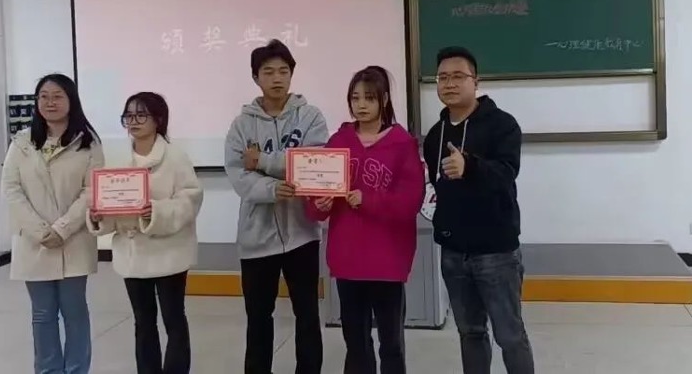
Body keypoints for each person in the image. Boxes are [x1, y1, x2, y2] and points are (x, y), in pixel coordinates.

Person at [422, 47, 535, 374]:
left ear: (476, 81)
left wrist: (469, 166)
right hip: (453, 251)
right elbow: (436, 186)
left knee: (510, 335)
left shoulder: (502, 125)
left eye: (458, 76)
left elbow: (506, 173)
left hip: (496, 251)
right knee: (470, 332)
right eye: (443, 77)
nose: (449, 84)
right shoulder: (436, 135)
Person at [307, 66, 425, 374]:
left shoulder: (403, 144)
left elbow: (411, 202)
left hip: (388, 261)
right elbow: (316, 202)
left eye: (369, 98)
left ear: (384, 100)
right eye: (355, 98)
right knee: (356, 343)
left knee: (391, 344)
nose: (361, 105)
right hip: (347, 260)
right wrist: (319, 204)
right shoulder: (338, 142)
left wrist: (368, 199)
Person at [224, 39, 329, 374]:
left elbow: (313, 161)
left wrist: (264, 161)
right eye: (268, 72)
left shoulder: (310, 117)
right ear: (256, 77)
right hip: (256, 239)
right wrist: (272, 188)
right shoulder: (241, 125)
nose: (277, 78)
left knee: (307, 314)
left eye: (283, 71)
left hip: (303, 234)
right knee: (258, 318)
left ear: (291, 74)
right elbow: (238, 174)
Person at [87, 92, 203, 374]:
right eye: (128, 116)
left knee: (174, 319)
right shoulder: (118, 159)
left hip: (169, 252)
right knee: (143, 321)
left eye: (141, 115)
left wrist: (158, 212)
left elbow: (191, 199)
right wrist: (99, 216)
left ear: (158, 119)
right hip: (133, 255)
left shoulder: (175, 157)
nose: (133, 121)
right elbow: (109, 203)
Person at [1, 73, 104, 374]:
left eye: (58, 96)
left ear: (71, 100)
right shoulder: (22, 142)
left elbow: (91, 190)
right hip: (35, 243)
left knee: (75, 313)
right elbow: (11, 189)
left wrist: (62, 228)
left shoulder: (88, 142)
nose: (50, 102)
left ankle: (76, 370)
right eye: (44, 97)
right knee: (42, 315)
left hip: (73, 240)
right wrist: (40, 230)